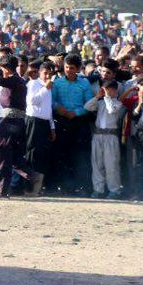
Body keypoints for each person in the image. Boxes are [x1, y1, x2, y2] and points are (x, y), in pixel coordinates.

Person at [0, 54, 42, 197]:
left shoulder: (13, 80)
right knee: (14, 155)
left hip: (9, 122)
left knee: (0, 152)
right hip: (17, 122)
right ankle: (32, 176)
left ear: (6, 68)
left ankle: (2, 189)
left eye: (1, 68)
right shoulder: (17, 80)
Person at [50, 53, 95, 195]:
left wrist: (76, 112)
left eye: (72, 68)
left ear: (78, 69)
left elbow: (88, 105)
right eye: (67, 67)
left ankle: (81, 187)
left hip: (79, 123)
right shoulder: (57, 83)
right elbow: (51, 101)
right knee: (63, 155)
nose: (69, 70)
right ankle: (64, 186)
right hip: (62, 122)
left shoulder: (84, 83)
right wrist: (58, 108)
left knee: (80, 156)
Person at [86, 79, 125, 199]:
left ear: (115, 91)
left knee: (111, 164)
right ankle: (98, 189)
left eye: (109, 90)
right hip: (98, 136)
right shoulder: (100, 102)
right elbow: (87, 107)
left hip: (110, 136)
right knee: (97, 163)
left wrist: (107, 97)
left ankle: (114, 190)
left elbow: (111, 110)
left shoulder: (118, 103)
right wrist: (97, 97)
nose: (106, 92)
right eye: (105, 90)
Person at [24, 59, 56, 179]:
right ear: (39, 72)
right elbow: (31, 101)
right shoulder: (33, 84)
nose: (47, 76)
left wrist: (52, 127)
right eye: (45, 73)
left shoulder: (48, 86)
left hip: (45, 123)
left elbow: (48, 108)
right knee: (32, 151)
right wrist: (45, 89)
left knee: (43, 153)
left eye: (50, 74)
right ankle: (29, 184)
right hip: (33, 121)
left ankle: (38, 185)